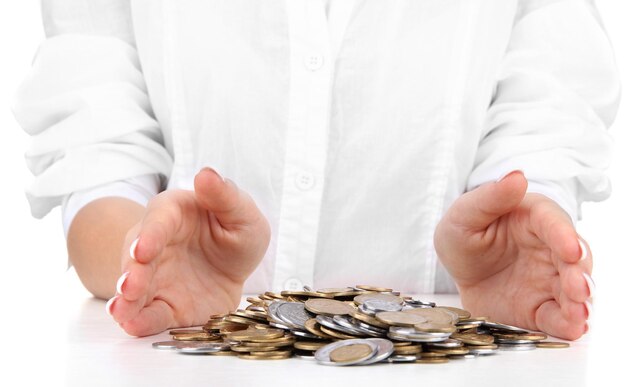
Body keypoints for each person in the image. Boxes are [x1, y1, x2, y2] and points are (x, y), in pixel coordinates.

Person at [13, 0, 619, 340]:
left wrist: (524, 219)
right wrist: (135, 251)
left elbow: (550, 101)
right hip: (167, 364)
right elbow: (93, 138)